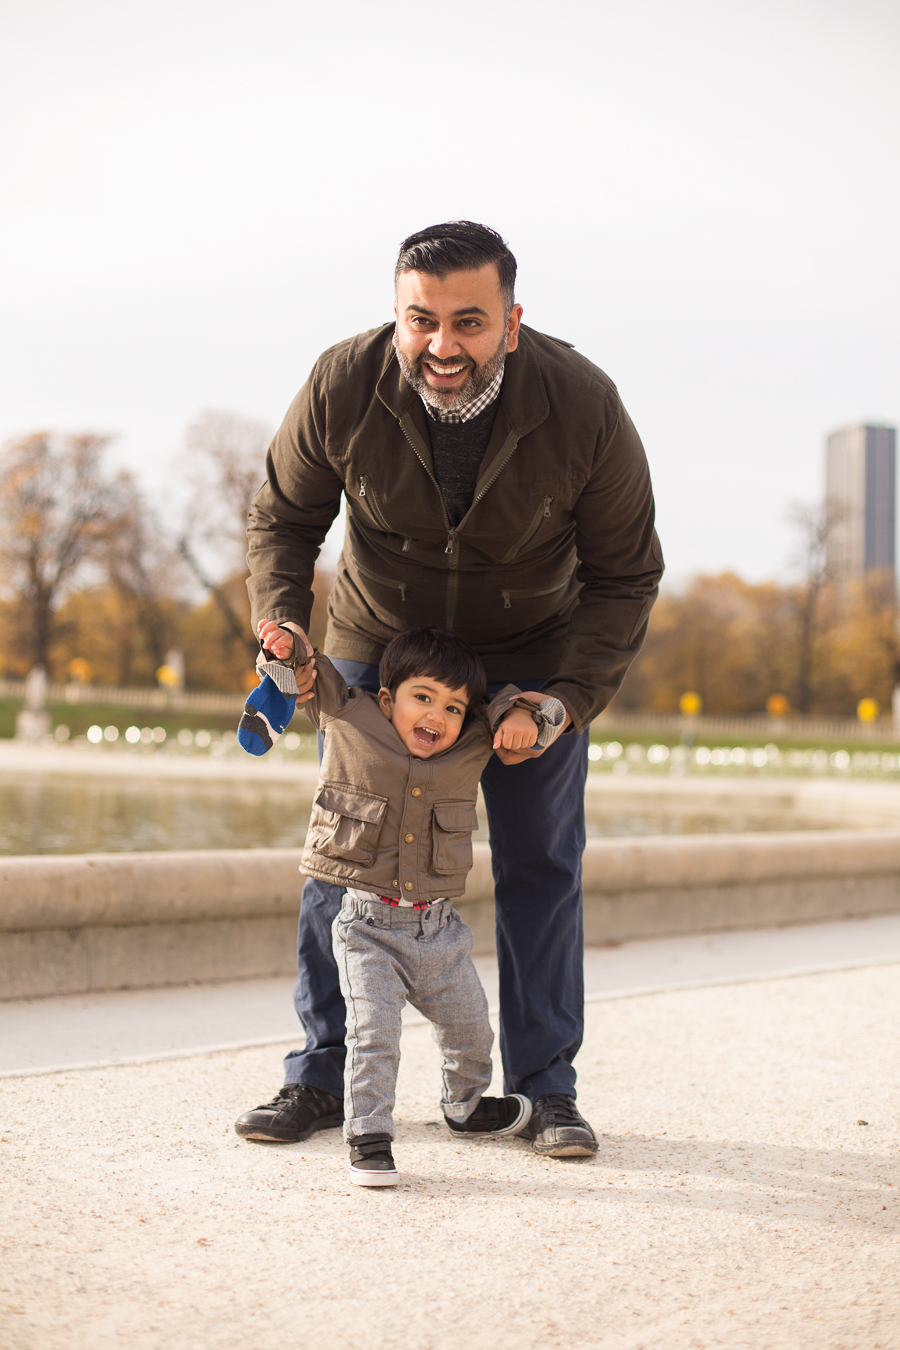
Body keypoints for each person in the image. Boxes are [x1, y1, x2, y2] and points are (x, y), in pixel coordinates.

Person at [234, 220, 663, 1158]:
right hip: (376, 645)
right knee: (341, 856)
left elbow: (626, 576)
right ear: (396, 315)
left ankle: (547, 1089)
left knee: (540, 865)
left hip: (529, 656)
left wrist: (560, 700)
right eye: (420, 320)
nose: (441, 345)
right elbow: (283, 515)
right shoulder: (343, 382)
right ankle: (317, 1072)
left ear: (512, 322)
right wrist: (283, 621)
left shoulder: (583, 404)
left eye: (468, 322)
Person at [261, 626, 565, 1185]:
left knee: (472, 1030)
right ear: (387, 698)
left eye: (453, 706)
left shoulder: (471, 743)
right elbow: (314, 674)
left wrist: (519, 712)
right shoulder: (350, 721)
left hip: (440, 934)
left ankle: (466, 1107)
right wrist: (287, 647)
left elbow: (524, 717)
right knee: (374, 1036)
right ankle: (369, 1134)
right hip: (369, 931)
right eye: (422, 697)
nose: (437, 715)